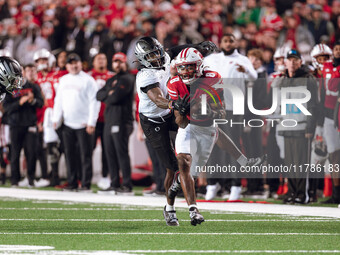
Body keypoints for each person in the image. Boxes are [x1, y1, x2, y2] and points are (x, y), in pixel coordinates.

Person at [167, 47, 266, 223]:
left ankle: (176, 185)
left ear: (198, 66)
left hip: (207, 127)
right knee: (183, 161)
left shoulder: (213, 78)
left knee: (191, 174)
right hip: (188, 126)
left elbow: (221, 112)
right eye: (181, 68)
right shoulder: (174, 83)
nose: (185, 71)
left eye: (189, 67)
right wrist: (182, 110)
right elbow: (179, 122)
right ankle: (193, 210)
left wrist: (209, 110)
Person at [134, 36, 217, 226]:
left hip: (172, 111)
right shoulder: (146, 76)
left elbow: (177, 49)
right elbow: (157, 98)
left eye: (157, 52)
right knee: (171, 168)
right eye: (151, 55)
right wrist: (173, 103)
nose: (157, 57)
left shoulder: (164, 57)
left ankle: (188, 182)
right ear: (143, 58)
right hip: (153, 120)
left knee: (196, 134)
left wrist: (198, 46)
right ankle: (169, 207)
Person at [203, 33, 258, 201]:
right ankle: (213, 183)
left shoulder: (242, 60)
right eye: (225, 40)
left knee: (233, 147)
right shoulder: (211, 59)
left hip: (234, 108)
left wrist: (246, 70)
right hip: (213, 108)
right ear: (221, 42)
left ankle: (235, 185)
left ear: (236, 43)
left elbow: (254, 77)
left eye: (231, 41)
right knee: (212, 147)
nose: (228, 43)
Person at [271, 49, 318, 204]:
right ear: (285, 62)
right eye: (289, 60)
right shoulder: (282, 80)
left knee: (301, 163)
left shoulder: (308, 79)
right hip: (286, 126)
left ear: (300, 62)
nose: (292, 62)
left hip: (302, 126)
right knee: (289, 163)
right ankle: (291, 192)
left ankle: (301, 193)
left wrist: (310, 127)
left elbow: (312, 105)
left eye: (295, 60)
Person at [52, 53, 100, 192]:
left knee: (85, 156)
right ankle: (72, 182)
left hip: (84, 125)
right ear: (66, 65)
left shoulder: (88, 80)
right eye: (70, 63)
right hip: (67, 124)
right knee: (69, 154)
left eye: (76, 62)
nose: (73, 65)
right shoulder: (63, 80)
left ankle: (85, 184)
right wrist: (56, 118)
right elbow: (58, 101)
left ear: (81, 64)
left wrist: (92, 122)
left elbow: (94, 102)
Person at [96, 52, 135, 194]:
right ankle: (114, 184)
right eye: (115, 62)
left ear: (125, 63)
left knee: (121, 153)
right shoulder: (111, 79)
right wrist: (110, 93)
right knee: (110, 154)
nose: (117, 64)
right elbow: (98, 95)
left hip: (122, 121)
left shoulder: (128, 79)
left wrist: (109, 94)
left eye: (120, 62)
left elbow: (115, 98)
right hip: (109, 121)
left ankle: (126, 185)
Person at [3, 63, 44, 187]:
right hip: (15, 124)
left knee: (31, 153)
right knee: (15, 153)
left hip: (30, 124)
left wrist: (33, 101)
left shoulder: (34, 87)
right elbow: (6, 108)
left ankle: (30, 179)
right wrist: (20, 102)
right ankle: (15, 180)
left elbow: (41, 103)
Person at [88, 53, 114, 190]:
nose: (101, 61)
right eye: (98, 59)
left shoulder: (112, 76)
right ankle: (85, 175)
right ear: (93, 62)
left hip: (107, 118)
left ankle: (105, 176)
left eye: (104, 58)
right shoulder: (87, 76)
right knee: (87, 148)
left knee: (107, 149)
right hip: (92, 119)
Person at [322, 41, 340, 203]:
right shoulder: (326, 67)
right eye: (336, 49)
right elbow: (328, 88)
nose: (338, 52)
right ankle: (335, 194)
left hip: (338, 113)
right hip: (329, 114)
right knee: (333, 154)